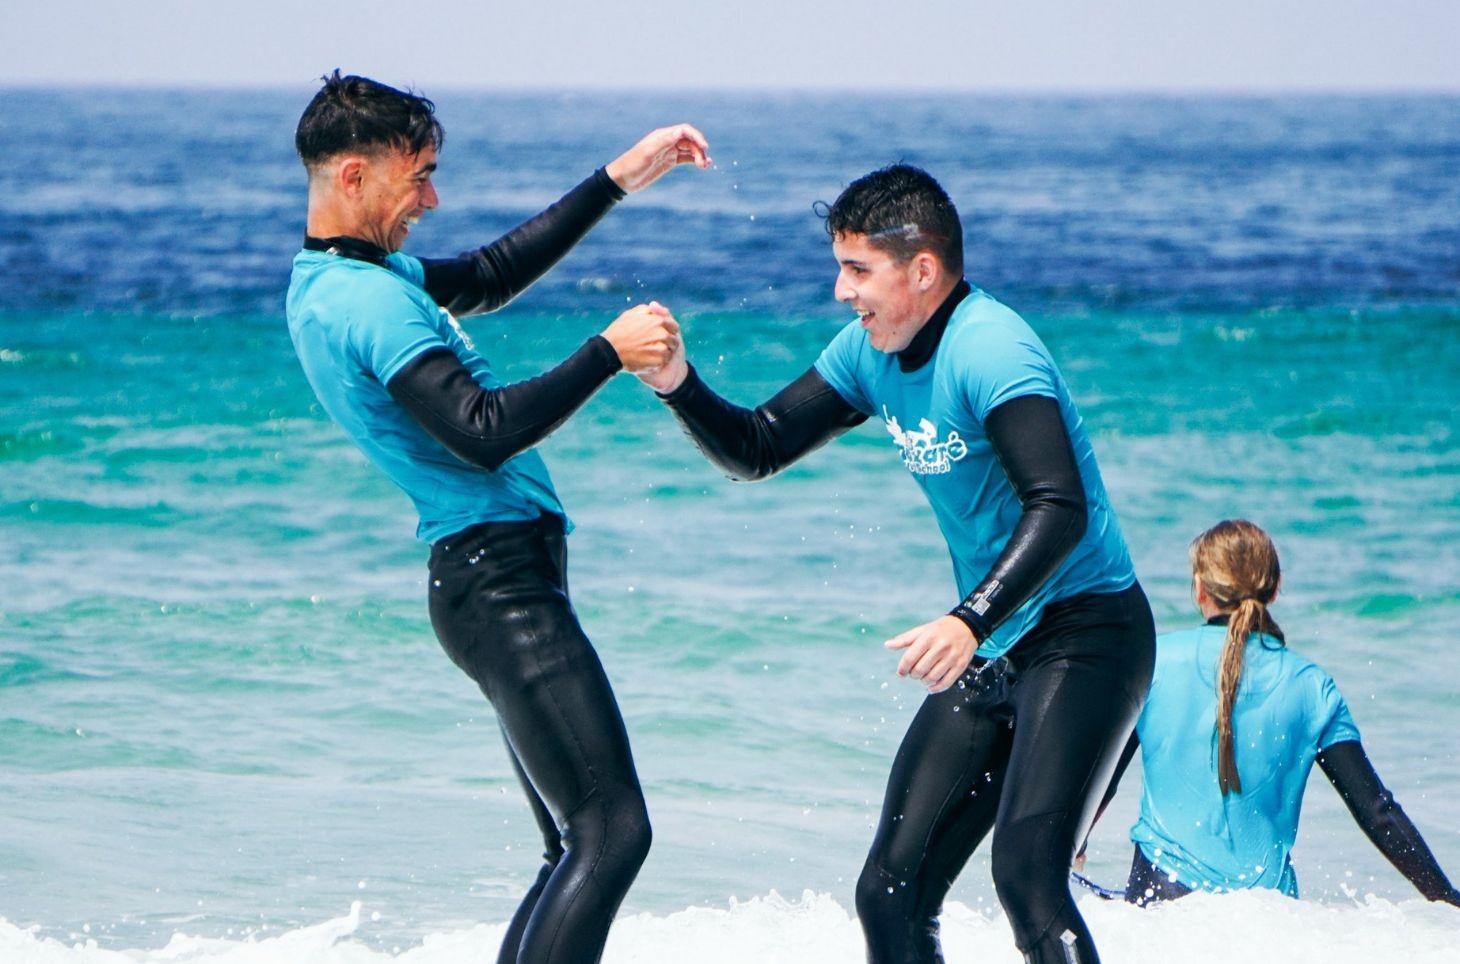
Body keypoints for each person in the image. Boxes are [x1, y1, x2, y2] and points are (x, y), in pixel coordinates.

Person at [637, 164, 1154, 964]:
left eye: (857, 270)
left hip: (1089, 633)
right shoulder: (870, 353)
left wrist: (967, 616)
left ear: (922, 270)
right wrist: (677, 383)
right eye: (840, 267)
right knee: (889, 891)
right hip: (993, 641)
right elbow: (760, 446)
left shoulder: (993, 349)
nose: (842, 291)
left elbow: (1059, 507)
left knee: (1027, 879)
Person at [284, 71, 710, 964]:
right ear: (354, 177)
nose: (433, 200)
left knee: (574, 843)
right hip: (498, 584)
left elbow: (485, 275)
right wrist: (608, 352)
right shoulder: (363, 302)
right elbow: (483, 430)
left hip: (490, 578)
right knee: (611, 832)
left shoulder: (347, 274)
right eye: (420, 177)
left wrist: (618, 178)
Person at [1118, 518, 1460, 907]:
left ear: (1199, 589)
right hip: (1270, 922)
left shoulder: (1154, 663)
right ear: (1276, 588)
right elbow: (1378, 813)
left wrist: (1063, 850)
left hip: (1157, 906)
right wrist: (1448, 902)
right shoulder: (1312, 686)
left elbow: (1097, 779)